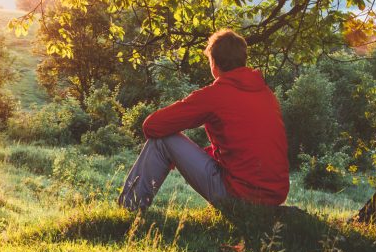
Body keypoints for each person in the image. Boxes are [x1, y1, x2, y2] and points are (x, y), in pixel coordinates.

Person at [118, 29, 289, 211]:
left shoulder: (215, 95)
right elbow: (243, 149)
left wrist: (175, 154)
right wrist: (184, 156)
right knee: (169, 141)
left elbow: (152, 126)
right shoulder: (266, 93)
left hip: (238, 196)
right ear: (242, 60)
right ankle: (130, 207)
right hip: (274, 197)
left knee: (163, 140)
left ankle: (129, 209)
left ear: (213, 63)